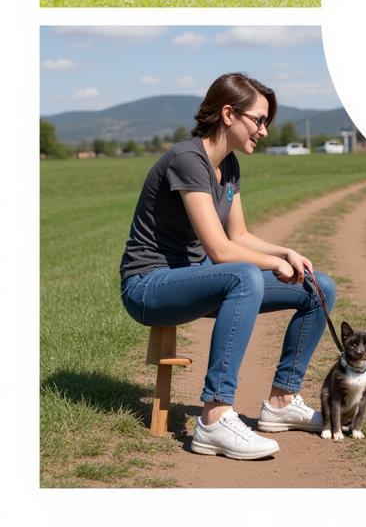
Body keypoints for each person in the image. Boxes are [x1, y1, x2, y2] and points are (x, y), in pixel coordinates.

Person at [119, 73, 336, 460]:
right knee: (244, 275)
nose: (265, 131)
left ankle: (282, 401)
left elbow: (239, 236)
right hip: (148, 285)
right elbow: (220, 251)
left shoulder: (229, 166)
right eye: (259, 120)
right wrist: (270, 263)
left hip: (192, 280)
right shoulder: (188, 159)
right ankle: (215, 417)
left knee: (318, 287)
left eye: (267, 122)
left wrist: (286, 253)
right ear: (228, 114)